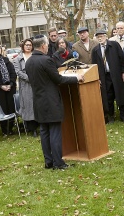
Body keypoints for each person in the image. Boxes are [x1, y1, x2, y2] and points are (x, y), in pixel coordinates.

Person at [25, 36, 83, 170]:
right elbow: (59, 79)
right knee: (55, 132)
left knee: (44, 132)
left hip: (38, 101)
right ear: (44, 46)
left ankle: (48, 162)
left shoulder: (29, 61)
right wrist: (76, 78)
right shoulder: (46, 60)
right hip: (51, 101)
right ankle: (58, 162)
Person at [91, 28, 124, 123]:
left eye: (101, 36)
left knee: (121, 94)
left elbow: (122, 59)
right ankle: (110, 116)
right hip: (104, 77)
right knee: (107, 97)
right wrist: (97, 78)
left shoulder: (114, 45)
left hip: (117, 74)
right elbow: (94, 65)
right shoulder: (95, 50)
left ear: (106, 36)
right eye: (98, 37)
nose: (100, 39)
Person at [13, 38, 39, 136]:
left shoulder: (35, 56)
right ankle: (32, 129)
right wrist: (30, 78)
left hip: (37, 84)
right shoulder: (17, 59)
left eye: (30, 45)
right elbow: (18, 72)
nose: (28, 46)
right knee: (28, 106)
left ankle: (39, 125)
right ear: (23, 46)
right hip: (26, 85)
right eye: (26, 45)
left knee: (37, 104)